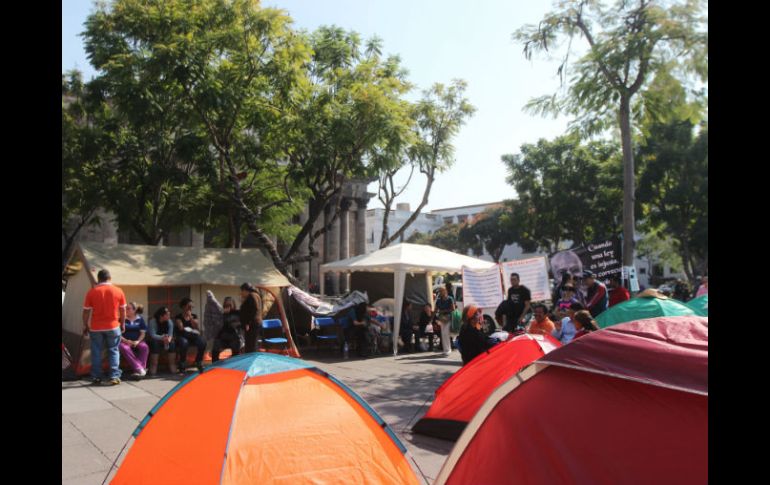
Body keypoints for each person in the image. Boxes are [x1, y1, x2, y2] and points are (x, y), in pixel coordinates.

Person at [83, 269, 126, 386]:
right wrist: (122, 323)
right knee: (113, 350)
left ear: (98, 279)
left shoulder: (92, 292)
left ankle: (96, 377)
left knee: (96, 352)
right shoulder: (118, 291)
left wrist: (86, 325)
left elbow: (86, 312)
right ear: (110, 278)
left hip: (96, 327)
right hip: (113, 326)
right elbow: (122, 309)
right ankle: (114, 376)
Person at [175, 297, 206, 373]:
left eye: (192, 307)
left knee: (202, 342)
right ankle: (182, 362)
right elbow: (181, 328)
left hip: (193, 335)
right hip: (182, 335)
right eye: (189, 306)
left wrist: (191, 318)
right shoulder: (178, 317)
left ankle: (198, 361)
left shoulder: (194, 316)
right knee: (184, 343)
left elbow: (196, 326)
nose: (190, 308)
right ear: (183, 307)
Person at [119, 302, 149, 378]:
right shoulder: (122, 319)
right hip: (124, 341)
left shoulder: (140, 319)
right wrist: (126, 341)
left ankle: (138, 371)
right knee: (124, 348)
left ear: (134, 310)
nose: (126, 310)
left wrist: (137, 341)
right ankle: (140, 369)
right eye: (126, 308)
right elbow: (118, 334)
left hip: (137, 341)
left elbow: (143, 333)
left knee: (144, 347)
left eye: (128, 308)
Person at [147, 306, 177, 375]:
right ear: (161, 316)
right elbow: (152, 334)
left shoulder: (169, 322)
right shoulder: (153, 321)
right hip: (155, 339)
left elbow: (170, 334)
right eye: (167, 315)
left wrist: (168, 339)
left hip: (165, 339)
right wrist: (162, 337)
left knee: (172, 343)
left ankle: (172, 364)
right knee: (155, 344)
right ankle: (153, 365)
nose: (169, 316)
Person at [211, 297, 242, 363]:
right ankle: (214, 363)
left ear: (233, 305)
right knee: (216, 345)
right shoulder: (221, 314)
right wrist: (224, 315)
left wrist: (237, 324)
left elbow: (242, 323)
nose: (228, 307)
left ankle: (234, 363)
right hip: (223, 336)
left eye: (230, 305)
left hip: (234, 336)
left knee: (236, 345)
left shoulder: (237, 313)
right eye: (226, 305)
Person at [240, 283, 263, 353]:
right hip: (254, 323)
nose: (241, 293)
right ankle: (251, 357)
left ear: (246, 290)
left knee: (251, 343)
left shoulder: (252, 296)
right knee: (252, 342)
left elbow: (254, 309)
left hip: (252, 324)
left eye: (242, 291)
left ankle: (250, 358)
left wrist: (248, 323)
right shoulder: (256, 295)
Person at [434, 287, 456, 356]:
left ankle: (448, 350)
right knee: (443, 334)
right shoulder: (438, 300)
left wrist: (443, 311)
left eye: (441, 291)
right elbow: (435, 310)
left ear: (445, 291)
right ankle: (445, 349)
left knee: (446, 333)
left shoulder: (450, 299)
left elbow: (453, 309)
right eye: (440, 291)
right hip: (441, 318)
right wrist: (432, 318)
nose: (440, 293)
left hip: (448, 318)